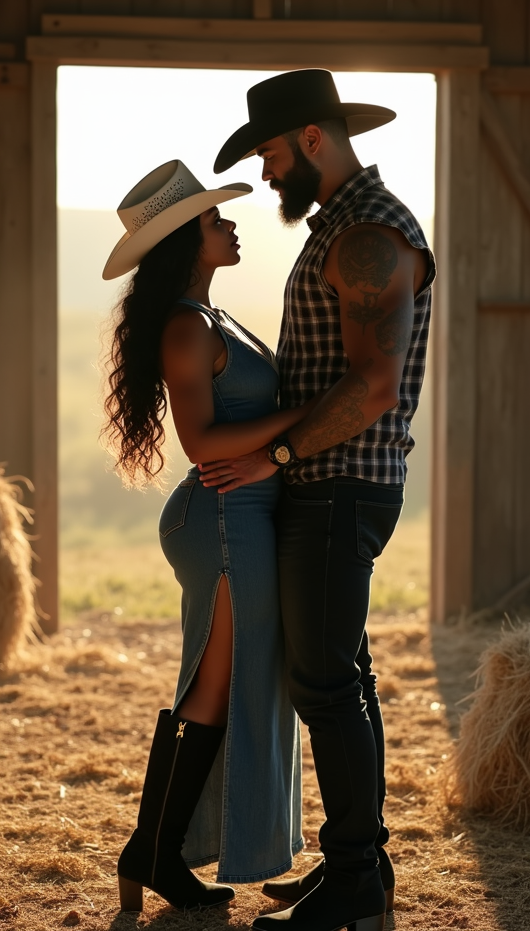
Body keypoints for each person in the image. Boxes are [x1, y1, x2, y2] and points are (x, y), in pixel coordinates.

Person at [204, 69, 436, 931]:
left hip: (340, 485)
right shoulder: (344, 224)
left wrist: (278, 454)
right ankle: (360, 864)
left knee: (325, 684)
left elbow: (374, 385)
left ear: (311, 140)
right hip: (331, 482)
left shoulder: (369, 232)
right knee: (345, 678)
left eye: (269, 154)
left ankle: (354, 885)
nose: (266, 174)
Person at [101, 160, 312, 914]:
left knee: (219, 688)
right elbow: (201, 444)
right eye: (215, 219)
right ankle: (152, 851)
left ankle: (152, 850)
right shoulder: (188, 327)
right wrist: (306, 416)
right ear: (186, 241)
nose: (230, 224)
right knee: (214, 688)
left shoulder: (209, 316)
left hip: (239, 515)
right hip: (223, 518)